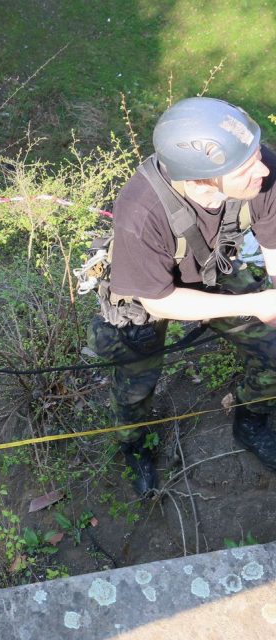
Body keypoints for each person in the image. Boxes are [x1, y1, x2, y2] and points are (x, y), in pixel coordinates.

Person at [88, 96, 276, 496]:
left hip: (214, 270)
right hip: (146, 294)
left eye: (257, 155)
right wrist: (255, 304)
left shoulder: (262, 172)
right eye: (245, 168)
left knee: (275, 350)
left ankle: (251, 420)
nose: (261, 168)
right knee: (135, 384)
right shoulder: (141, 211)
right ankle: (135, 444)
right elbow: (158, 300)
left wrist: (273, 298)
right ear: (199, 180)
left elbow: (274, 244)